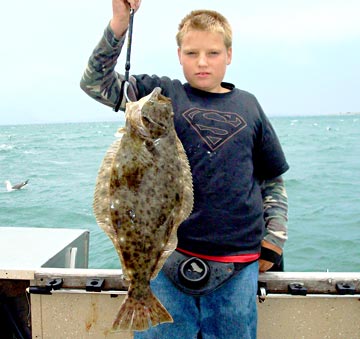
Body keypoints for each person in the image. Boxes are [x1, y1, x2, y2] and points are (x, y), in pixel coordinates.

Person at [80, 1, 289, 338]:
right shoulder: (161, 95)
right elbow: (95, 83)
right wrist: (120, 24)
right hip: (165, 262)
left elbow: (272, 179)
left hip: (238, 263)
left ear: (229, 55)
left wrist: (274, 240)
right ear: (179, 55)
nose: (202, 62)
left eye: (213, 53)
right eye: (192, 53)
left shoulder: (250, 106)